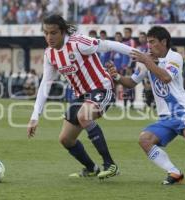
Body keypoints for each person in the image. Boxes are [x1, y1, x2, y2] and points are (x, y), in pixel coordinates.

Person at [107, 26, 185, 188]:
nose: (149, 46)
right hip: (165, 116)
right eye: (148, 42)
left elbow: (166, 77)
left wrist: (146, 61)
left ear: (164, 42)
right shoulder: (146, 62)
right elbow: (131, 83)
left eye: (152, 42)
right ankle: (174, 173)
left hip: (181, 110)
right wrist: (116, 76)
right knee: (145, 140)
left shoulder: (174, 57)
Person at [27, 14, 137, 179]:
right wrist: (35, 116)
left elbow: (108, 45)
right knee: (65, 139)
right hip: (81, 96)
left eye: (53, 33)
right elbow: (45, 83)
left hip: (101, 88)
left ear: (63, 32)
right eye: (46, 33)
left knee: (83, 115)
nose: (49, 37)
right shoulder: (49, 54)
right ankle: (92, 168)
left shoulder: (78, 43)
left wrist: (138, 55)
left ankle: (110, 165)